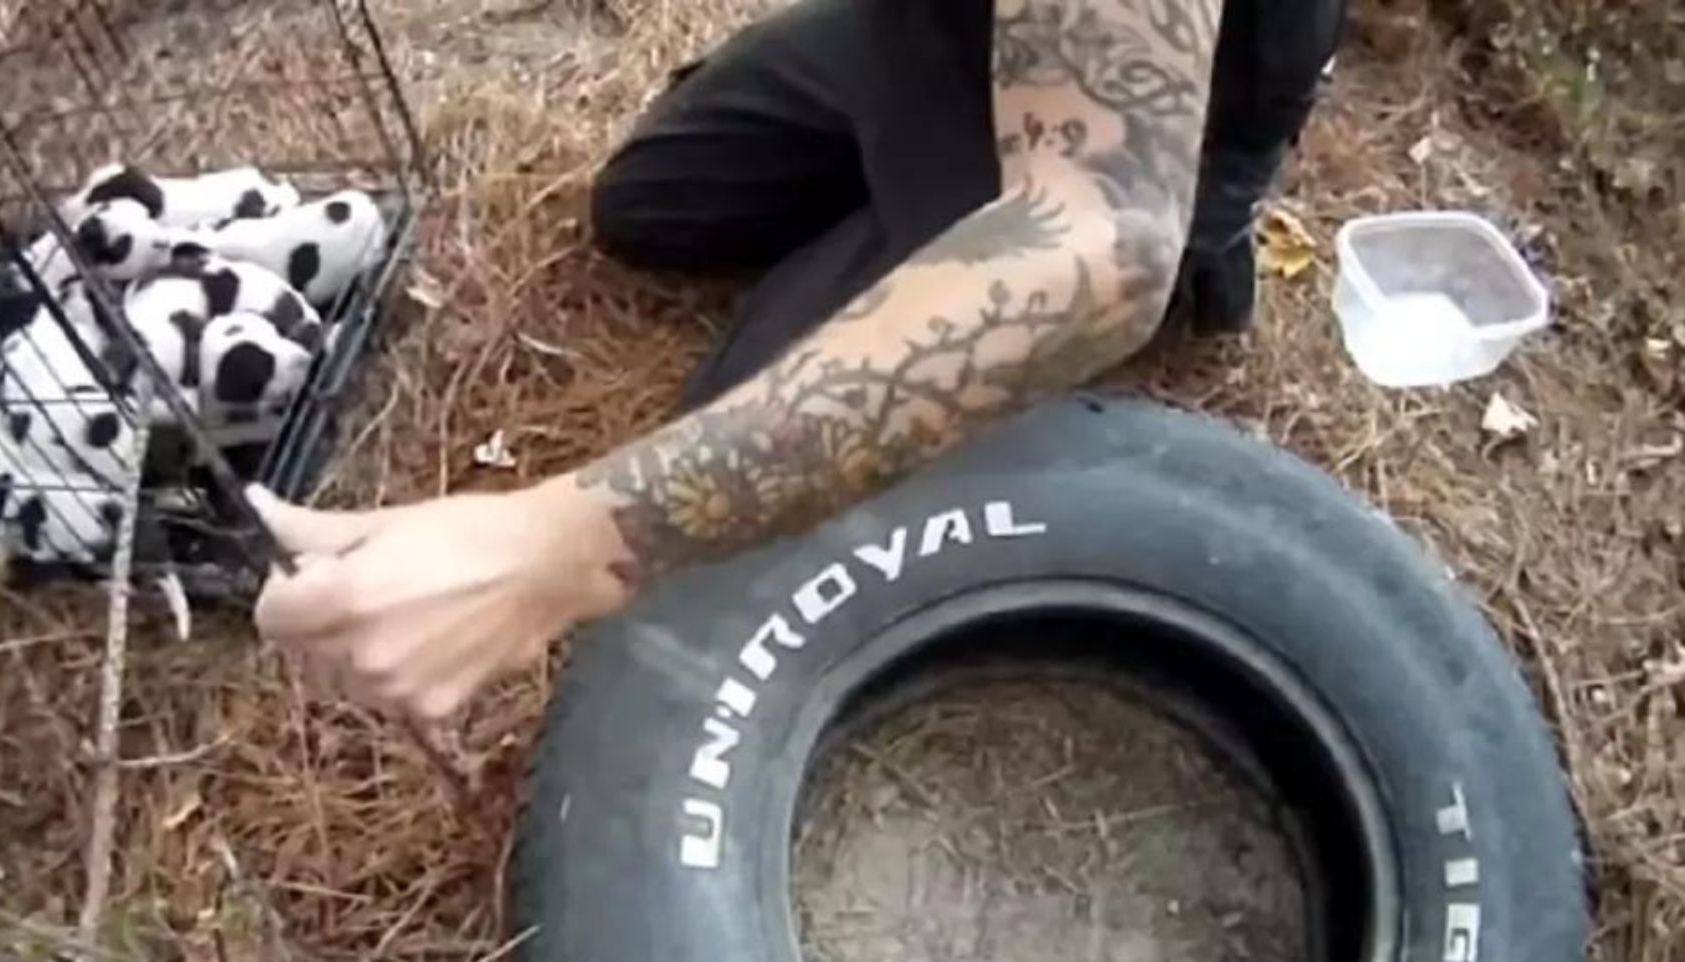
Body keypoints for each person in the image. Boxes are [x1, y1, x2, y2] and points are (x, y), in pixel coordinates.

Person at [249, 0, 1347, 719]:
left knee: (730, 521)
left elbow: (1104, 243)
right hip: (933, 29)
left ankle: (946, 230)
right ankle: (907, 207)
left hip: (1135, 128)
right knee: (648, 205)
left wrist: (562, 540)